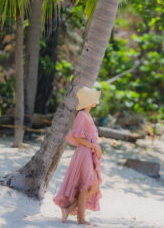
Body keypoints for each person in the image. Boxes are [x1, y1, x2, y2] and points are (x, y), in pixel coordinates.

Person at [53, 86, 103, 225]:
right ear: (88, 101)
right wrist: (94, 147)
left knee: (94, 186)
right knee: (87, 185)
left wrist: (95, 149)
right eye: (94, 98)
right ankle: (81, 219)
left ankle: (68, 209)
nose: (96, 100)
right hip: (84, 153)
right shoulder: (81, 115)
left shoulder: (87, 115)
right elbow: (77, 137)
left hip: (89, 153)